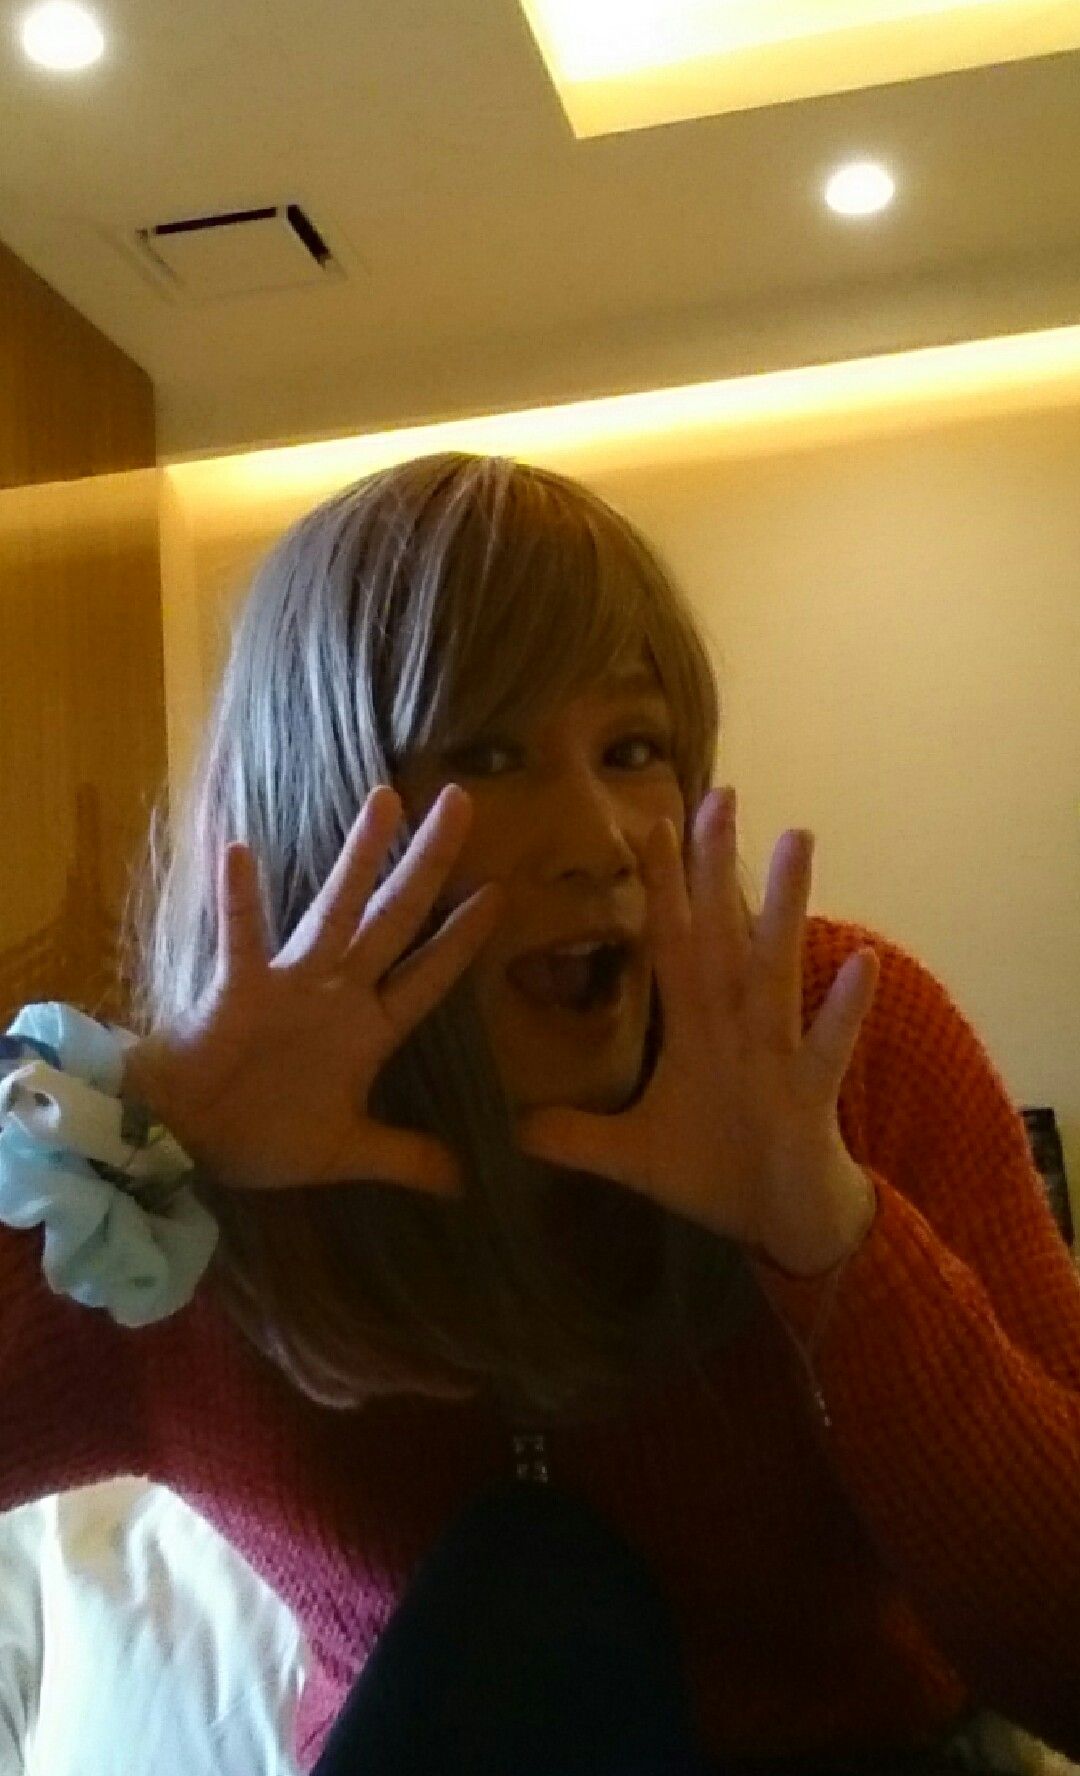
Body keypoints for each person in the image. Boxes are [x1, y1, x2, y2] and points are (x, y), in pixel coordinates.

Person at [1, 451, 1079, 1776]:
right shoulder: (170, 1182)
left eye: (634, 750)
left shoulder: (837, 1049)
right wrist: (164, 1139)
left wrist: (833, 1238)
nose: (600, 837)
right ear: (318, 806)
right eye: (489, 755)